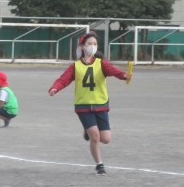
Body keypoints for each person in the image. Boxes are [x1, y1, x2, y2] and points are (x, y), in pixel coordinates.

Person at [48, 31, 129, 175]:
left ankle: (87, 130)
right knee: (95, 136)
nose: (93, 46)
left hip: (101, 105)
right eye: (90, 43)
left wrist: (123, 75)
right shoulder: (75, 66)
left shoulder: (101, 63)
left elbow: (113, 70)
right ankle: (99, 165)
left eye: (95, 44)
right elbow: (63, 79)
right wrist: (55, 88)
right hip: (83, 106)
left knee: (106, 139)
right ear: (82, 47)